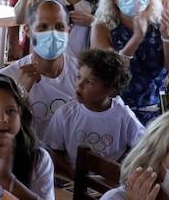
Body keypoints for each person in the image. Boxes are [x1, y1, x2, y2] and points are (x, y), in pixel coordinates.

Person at [91, 0, 169, 125]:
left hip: (156, 112)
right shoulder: (102, 26)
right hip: (116, 112)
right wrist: (136, 38)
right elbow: (107, 75)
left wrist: (168, 36)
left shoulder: (160, 22)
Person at [43, 48, 144, 177]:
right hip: (72, 179)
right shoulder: (65, 113)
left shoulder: (123, 115)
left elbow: (142, 146)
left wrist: (121, 168)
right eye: (79, 77)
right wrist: (69, 170)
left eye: (89, 82)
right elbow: (53, 150)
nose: (79, 85)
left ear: (110, 89)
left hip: (108, 183)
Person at [0, 0, 77, 142]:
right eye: (43, 27)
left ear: (69, 29)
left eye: (59, 27)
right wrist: (19, 94)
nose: (52, 34)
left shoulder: (81, 76)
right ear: (27, 30)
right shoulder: (7, 79)